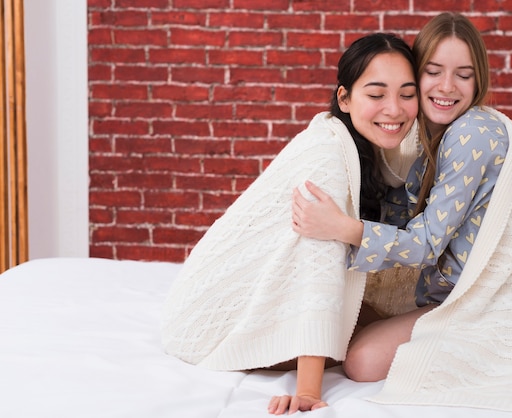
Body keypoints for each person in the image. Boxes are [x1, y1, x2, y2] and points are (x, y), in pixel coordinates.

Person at [292, 12, 512, 414]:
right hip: (452, 296)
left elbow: (425, 244)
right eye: (433, 71)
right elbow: (400, 216)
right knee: (346, 321)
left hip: (494, 300)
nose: (447, 87)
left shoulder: (474, 133)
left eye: (463, 75)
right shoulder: (425, 142)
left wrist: (343, 228)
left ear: (479, 79)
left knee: (361, 362)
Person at [161, 32, 420, 415]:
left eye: (407, 93)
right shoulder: (327, 153)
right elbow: (317, 258)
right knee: (372, 346)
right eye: (376, 94)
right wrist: (309, 391)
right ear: (345, 99)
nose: (394, 109)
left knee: (385, 330)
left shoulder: (384, 151)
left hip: (190, 311)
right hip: (209, 322)